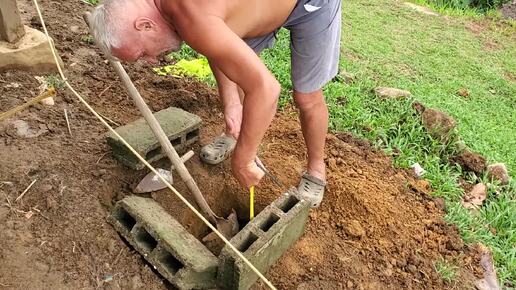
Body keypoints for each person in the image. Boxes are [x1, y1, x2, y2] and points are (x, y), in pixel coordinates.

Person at [89, 0, 341, 208]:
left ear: (144, 24)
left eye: (143, 54)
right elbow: (215, 47)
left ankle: (316, 169)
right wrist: (232, 104)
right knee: (241, 74)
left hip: (310, 5)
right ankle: (235, 130)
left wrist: (244, 159)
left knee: (305, 96)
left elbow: (267, 89)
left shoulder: (193, 18)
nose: (154, 61)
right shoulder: (175, 13)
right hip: (259, 8)